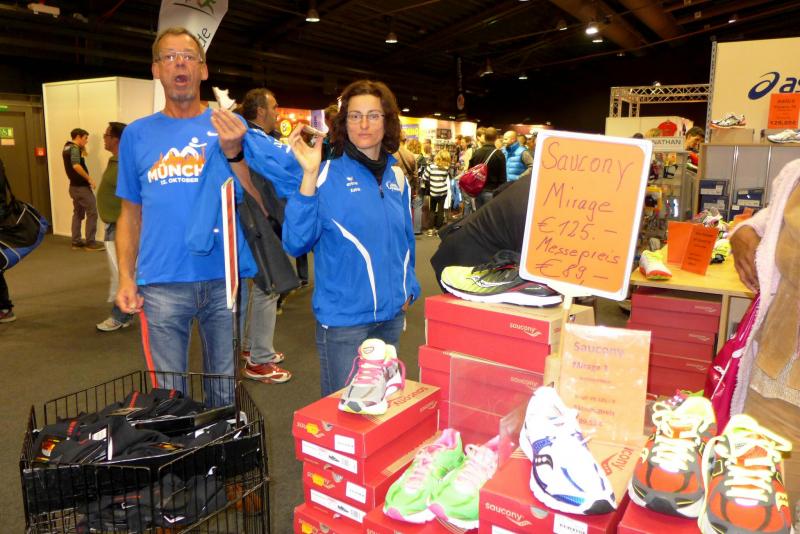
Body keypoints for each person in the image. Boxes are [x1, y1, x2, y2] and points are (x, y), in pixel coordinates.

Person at [115, 27, 257, 406]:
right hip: (161, 283)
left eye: (188, 56)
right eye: (170, 57)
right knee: (168, 396)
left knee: (225, 390)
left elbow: (258, 196)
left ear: (203, 70)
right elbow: (130, 214)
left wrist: (235, 152)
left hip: (224, 280)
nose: (180, 63)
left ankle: (220, 446)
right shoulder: (137, 135)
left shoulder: (231, 128)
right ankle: (177, 446)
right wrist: (125, 276)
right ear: (156, 69)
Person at [282, 79, 421, 397]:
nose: (364, 124)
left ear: (387, 121)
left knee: (383, 407)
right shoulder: (325, 175)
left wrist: (409, 286)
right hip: (345, 323)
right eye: (355, 116)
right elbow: (295, 242)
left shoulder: (398, 177)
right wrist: (308, 175)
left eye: (373, 115)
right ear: (344, 123)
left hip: (391, 318)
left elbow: (406, 241)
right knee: (345, 413)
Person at [729, 158, 800, 522]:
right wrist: (743, 231)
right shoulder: (795, 176)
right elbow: (772, 219)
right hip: (773, 379)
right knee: (753, 510)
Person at [238, 87, 292, 384]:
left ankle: (251, 348)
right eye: (274, 107)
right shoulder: (255, 141)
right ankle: (259, 359)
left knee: (257, 288)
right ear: (260, 111)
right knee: (268, 287)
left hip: (253, 222)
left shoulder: (248, 138)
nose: (277, 113)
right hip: (259, 223)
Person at [431, 174, 531, 284]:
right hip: (468, 256)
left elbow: (499, 191)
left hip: (466, 241)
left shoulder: (535, 181)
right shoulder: (538, 192)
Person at [95, 121, 135, 332]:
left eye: (106, 135)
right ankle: (125, 313)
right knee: (121, 273)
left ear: (116, 139)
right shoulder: (116, 161)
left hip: (120, 227)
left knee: (123, 274)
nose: (104, 138)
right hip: (113, 225)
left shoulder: (124, 164)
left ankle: (119, 315)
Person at [63, 128, 104, 251]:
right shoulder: (74, 148)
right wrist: (89, 179)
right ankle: (90, 243)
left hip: (73, 187)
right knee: (92, 212)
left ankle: (76, 241)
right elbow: (76, 165)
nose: (87, 141)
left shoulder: (67, 147)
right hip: (81, 188)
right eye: (85, 138)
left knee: (78, 213)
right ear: (78, 137)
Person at [469, 127, 506, 209]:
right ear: (496, 138)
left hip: (478, 190)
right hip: (492, 191)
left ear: (485, 137)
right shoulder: (499, 154)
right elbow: (502, 177)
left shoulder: (476, 152)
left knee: (479, 214)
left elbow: (470, 170)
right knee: (490, 215)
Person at [394, 135, 420, 235]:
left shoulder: (390, 153)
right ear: (405, 141)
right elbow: (415, 175)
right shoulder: (410, 155)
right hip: (407, 186)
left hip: (392, 186)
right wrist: (416, 190)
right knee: (406, 210)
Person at [423, 149, 451, 235]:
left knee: (432, 209)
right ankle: (438, 230)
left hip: (433, 191)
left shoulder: (431, 166)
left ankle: (430, 229)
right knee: (441, 210)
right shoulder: (447, 168)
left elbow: (424, 177)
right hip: (443, 191)